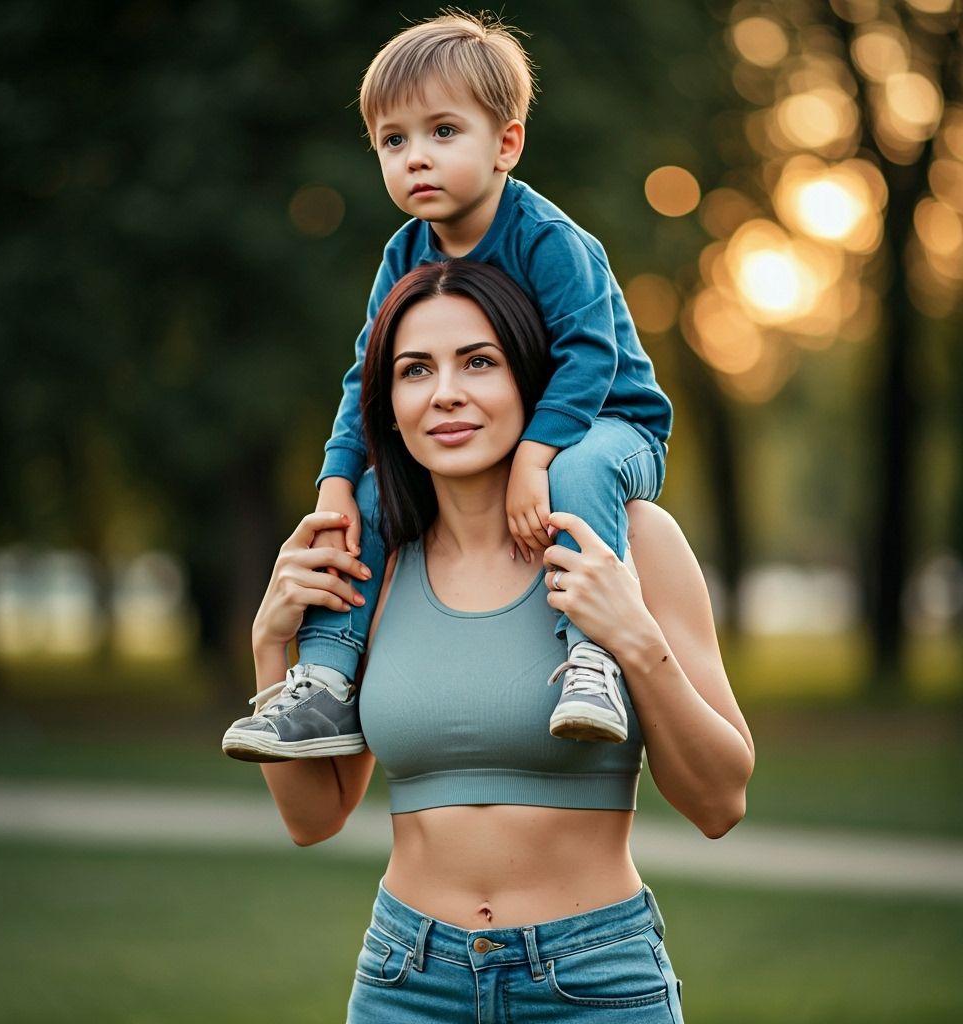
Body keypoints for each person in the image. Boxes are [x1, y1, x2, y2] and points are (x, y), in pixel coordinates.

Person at [244, 260, 754, 1022]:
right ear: (389, 406)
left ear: (536, 385)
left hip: (594, 980)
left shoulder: (633, 543)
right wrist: (270, 648)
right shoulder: (370, 563)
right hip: (404, 979)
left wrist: (634, 639)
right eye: (416, 370)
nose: (445, 391)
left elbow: (719, 802)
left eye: (479, 362)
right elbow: (313, 818)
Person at [222, 10, 672, 762]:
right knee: (366, 498)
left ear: (506, 144)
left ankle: (592, 660)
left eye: (442, 132)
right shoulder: (404, 255)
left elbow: (590, 360)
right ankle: (328, 680)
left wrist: (534, 458)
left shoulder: (549, 240)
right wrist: (336, 478)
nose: (415, 158)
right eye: (393, 141)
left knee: (580, 466)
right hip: (531, 434)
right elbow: (363, 377)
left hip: (610, 423)